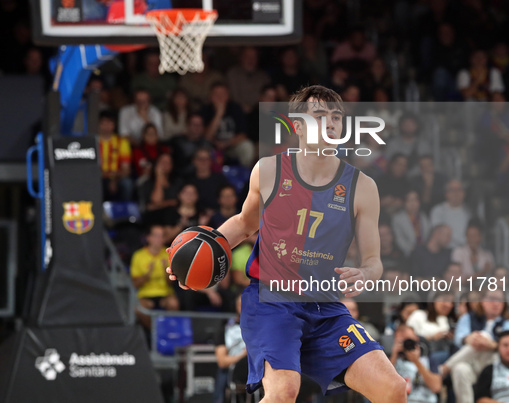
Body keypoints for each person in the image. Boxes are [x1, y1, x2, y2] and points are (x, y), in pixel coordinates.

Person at [168, 85, 406, 402]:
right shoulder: (268, 170)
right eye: (319, 115)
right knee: (283, 392)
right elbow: (244, 223)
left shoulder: (363, 187)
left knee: (393, 389)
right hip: (271, 302)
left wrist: (365, 273)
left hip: (326, 308)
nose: (330, 123)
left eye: (336, 116)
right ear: (297, 126)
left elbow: (374, 261)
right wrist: (196, 260)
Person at [440, 288, 509, 403]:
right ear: (482, 301)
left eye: (500, 300)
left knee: (484, 335)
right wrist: (468, 338)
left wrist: (492, 345)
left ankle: (445, 368)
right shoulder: (468, 317)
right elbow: (458, 339)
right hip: (470, 362)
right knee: (460, 369)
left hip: (493, 364)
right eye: (492, 299)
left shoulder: (507, 323)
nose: (496, 303)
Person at [130, 225, 179, 329]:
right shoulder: (138, 255)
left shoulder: (168, 254)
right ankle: (155, 331)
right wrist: (147, 275)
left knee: (173, 304)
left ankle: (167, 330)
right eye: (156, 236)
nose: (159, 239)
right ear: (148, 238)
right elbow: (135, 284)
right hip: (146, 294)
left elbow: (172, 282)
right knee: (138, 308)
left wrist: (166, 272)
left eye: (162, 236)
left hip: (165, 293)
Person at [201, 82, 254, 167]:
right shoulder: (205, 110)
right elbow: (206, 137)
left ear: (228, 96)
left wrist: (226, 144)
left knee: (247, 146)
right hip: (212, 148)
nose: (220, 97)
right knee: (203, 148)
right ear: (210, 97)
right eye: (216, 94)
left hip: (232, 146)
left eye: (223, 94)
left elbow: (243, 134)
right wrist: (219, 113)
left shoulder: (235, 108)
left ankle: (245, 176)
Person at [390, 325, 442, 403]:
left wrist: (416, 361)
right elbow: (381, 387)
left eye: (409, 340)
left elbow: (436, 387)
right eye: (402, 341)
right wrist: (394, 355)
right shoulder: (390, 361)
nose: (406, 343)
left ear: (416, 339)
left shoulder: (428, 359)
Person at [213, 294, 248, 403]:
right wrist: (243, 355)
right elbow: (222, 361)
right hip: (235, 367)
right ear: (237, 306)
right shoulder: (226, 328)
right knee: (223, 372)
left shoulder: (263, 327)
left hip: (258, 367)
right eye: (242, 304)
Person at [97, 111, 134, 201]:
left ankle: (124, 213)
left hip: (117, 178)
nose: (107, 126)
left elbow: (126, 170)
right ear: (99, 124)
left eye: (110, 123)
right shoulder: (94, 143)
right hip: (98, 178)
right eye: (104, 123)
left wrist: (114, 180)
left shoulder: (122, 142)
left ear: (114, 125)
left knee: (127, 184)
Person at [430, 179, 472, 248]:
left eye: (459, 190)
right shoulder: (438, 211)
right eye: (452, 190)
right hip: (444, 249)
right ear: (446, 194)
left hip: (465, 251)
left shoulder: (469, 212)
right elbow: (438, 235)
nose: (456, 193)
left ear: (464, 193)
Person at [391, 190, 431, 257]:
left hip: (424, 253)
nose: (413, 203)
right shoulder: (397, 219)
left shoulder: (424, 217)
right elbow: (399, 239)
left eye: (415, 200)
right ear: (404, 203)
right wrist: (412, 251)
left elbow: (428, 236)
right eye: (409, 200)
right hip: (406, 254)